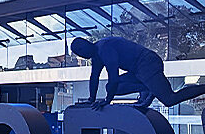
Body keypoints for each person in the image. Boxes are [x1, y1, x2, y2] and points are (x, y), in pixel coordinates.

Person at [70, 36, 205, 109]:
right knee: (111, 88)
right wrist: (91, 99)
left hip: (147, 63)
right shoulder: (96, 56)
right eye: (78, 53)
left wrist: (107, 101)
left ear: (87, 43)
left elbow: (114, 77)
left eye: (81, 50)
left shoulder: (104, 48)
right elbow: (94, 77)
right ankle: (149, 87)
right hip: (137, 71)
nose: (82, 54)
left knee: (169, 99)